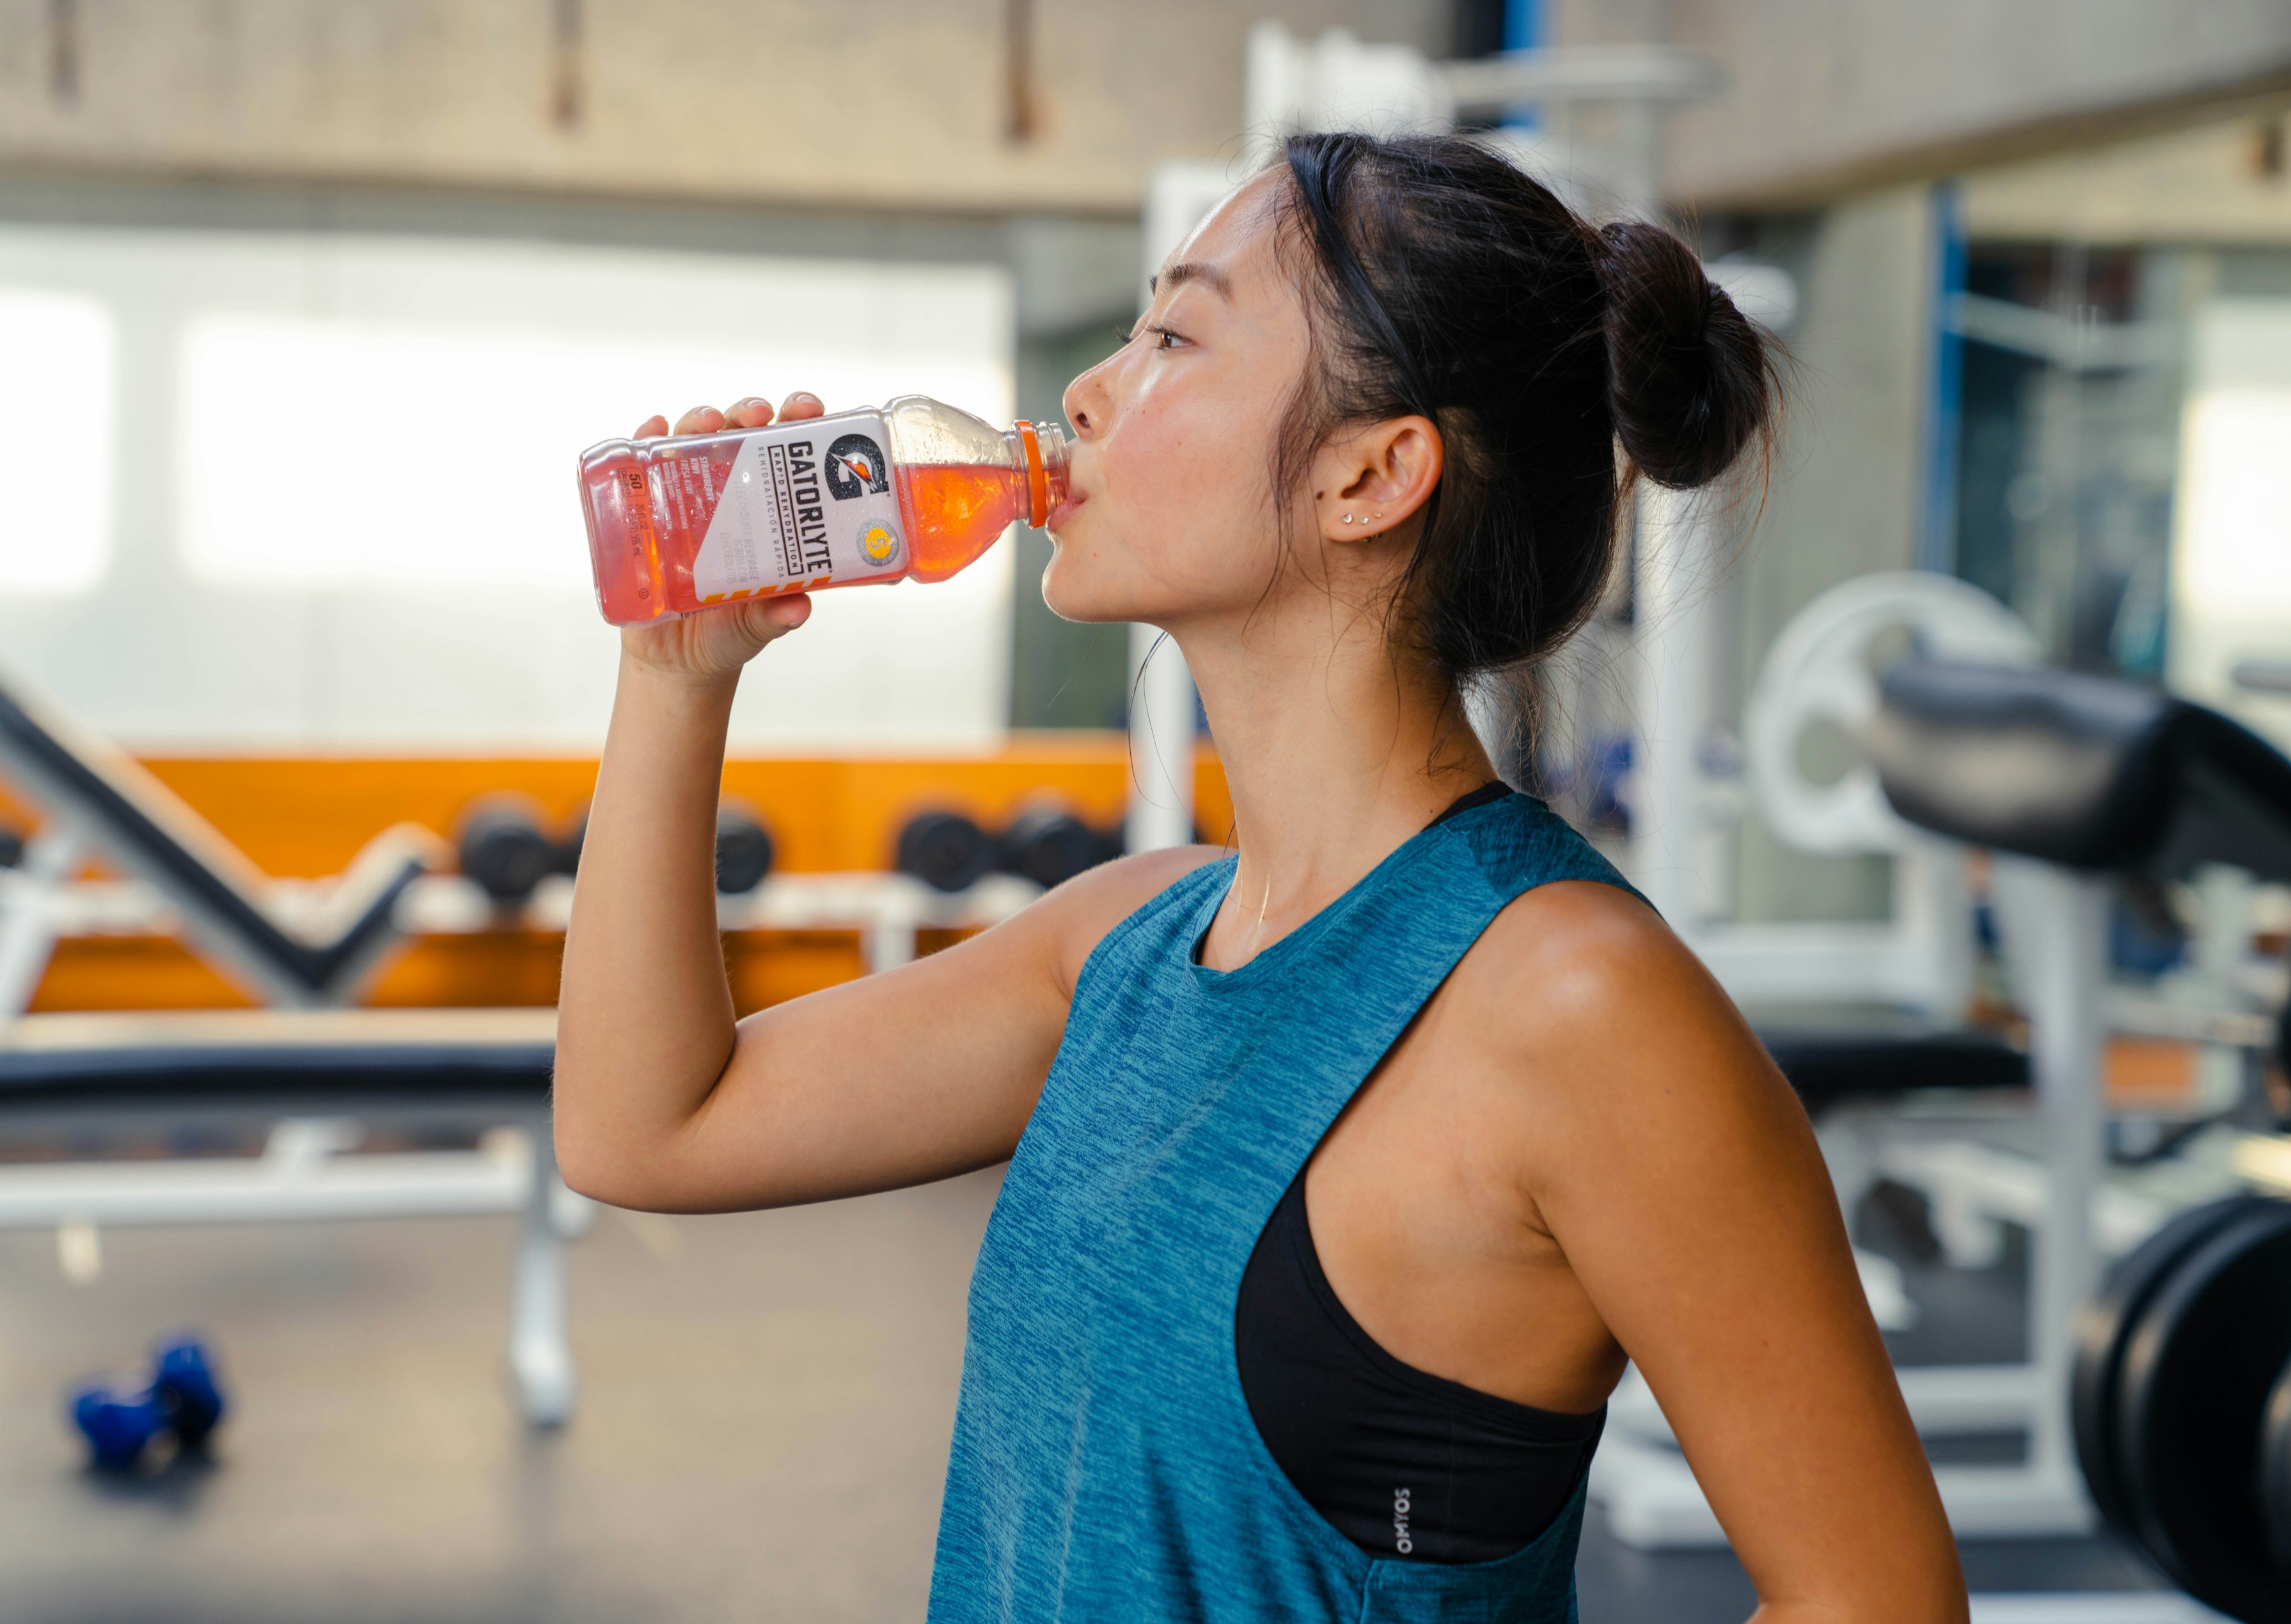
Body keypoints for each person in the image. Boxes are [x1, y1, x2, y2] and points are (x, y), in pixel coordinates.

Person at [556, 131, 1964, 1623]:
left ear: (1371, 472)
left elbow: (1873, 1594)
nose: (1088, 392)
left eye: (1172, 334)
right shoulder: (1128, 936)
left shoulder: (1574, 1005)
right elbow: (651, 1127)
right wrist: (674, 674)